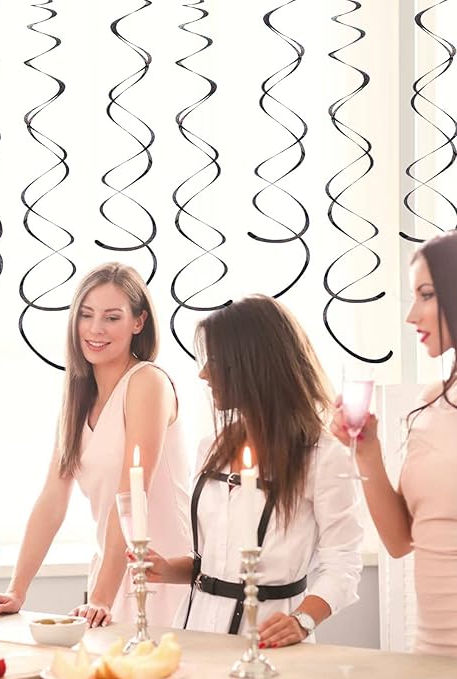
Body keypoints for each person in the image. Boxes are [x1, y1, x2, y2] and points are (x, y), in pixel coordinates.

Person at [0, 262, 190, 627]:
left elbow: (130, 495)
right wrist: (17, 590)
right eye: (86, 315)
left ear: (139, 322)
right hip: (111, 574)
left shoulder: (147, 383)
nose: (95, 329)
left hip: (163, 575)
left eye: (112, 317)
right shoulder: (77, 400)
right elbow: (52, 500)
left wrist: (101, 598)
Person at [141, 295, 363, 646]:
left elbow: (343, 562)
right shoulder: (212, 445)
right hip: (193, 633)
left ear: (252, 364)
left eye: (215, 361)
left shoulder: (322, 455)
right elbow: (216, 559)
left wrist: (302, 620)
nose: (203, 373)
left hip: (267, 640)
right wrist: (169, 569)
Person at [331, 229, 457, 657]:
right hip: (430, 652)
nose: (412, 316)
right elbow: (401, 540)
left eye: (427, 295)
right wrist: (367, 452)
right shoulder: (431, 403)